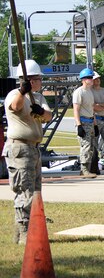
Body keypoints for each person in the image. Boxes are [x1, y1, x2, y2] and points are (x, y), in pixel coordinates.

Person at [4, 59, 52, 245]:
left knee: (35, 191)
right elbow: (15, 108)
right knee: (24, 190)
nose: (41, 82)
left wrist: (40, 111)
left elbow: (48, 116)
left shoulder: (38, 98)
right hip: (19, 148)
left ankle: (31, 228)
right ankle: (24, 232)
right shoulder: (14, 95)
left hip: (34, 148)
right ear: (31, 80)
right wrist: (22, 92)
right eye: (39, 79)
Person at [72, 68, 98, 178]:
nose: (92, 80)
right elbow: (76, 109)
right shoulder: (79, 92)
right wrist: (79, 125)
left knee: (91, 147)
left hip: (90, 121)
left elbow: (92, 110)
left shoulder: (90, 92)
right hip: (83, 122)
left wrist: (95, 125)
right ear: (83, 79)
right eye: (89, 78)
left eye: (92, 78)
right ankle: (84, 169)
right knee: (86, 146)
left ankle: (88, 168)